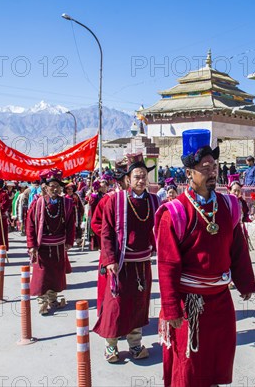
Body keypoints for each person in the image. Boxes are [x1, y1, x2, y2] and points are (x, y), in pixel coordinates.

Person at [155, 129, 255, 387]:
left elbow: (238, 248)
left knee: (216, 361)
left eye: (215, 166)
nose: (213, 172)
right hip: (189, 305)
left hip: (221, 301)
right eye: (205, 167)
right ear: (189, 173)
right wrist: (170, 308)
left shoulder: (229, 206)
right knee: (190, 367)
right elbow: (167, 265)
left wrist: (245, 282)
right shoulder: (175, 212)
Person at [93, 152, 161, 363]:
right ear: (127, 180)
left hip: (142, 263)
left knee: (139, 305)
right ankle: (111, 346)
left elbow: (159, 230)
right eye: (136, 177)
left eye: (143, 176)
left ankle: (135, 344)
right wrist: (110, 259)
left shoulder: (154, 200)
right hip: (120, 263)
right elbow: (106, 232)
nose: (141, 180)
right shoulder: (115, 201)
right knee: (116, 305)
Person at [26, 169, 75, 316]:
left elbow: (70, 224)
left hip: (59, 246)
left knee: (55, 274)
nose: (54, 189)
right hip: (42, 246)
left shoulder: (66, 203)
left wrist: (69, 242)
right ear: (45, 187)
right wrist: (32, 245)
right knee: (42, 275)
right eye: (51, 186)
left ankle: (53, 298)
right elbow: (30, 225)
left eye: (57, 186)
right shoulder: (38, 203)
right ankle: (42, 301)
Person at [65, 182, 85, 247]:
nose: (70, 190)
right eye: (68, 189)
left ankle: (78, 240)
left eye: (71, 189)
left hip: (76, 214)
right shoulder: (64, 197)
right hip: (67, 214)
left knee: (77, 227)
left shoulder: (76, 196)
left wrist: (82, 213)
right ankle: (68, 241)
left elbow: (80, 205)